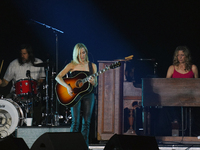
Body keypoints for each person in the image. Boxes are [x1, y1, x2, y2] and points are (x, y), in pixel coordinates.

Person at [55, 43, 97, 148]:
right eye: (79, 54)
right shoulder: (72, 65)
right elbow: (58, 77)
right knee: (76, 121)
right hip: (75, 95)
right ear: (76, 54)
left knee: (87, 122)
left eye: (84, 52)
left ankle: (84, 146)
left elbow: (95, 83)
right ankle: (71, 146)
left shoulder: (92, 66)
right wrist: (68, 87)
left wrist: (93, 82)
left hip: (89, 95)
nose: (82, 55)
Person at [155, 46, 199, 136]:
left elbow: (197, 85)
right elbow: (166, 85)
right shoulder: (172, 68)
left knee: (191, 115)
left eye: (182, 55)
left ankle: (190, 135)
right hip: (174, 98)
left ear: (186, 56)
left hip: (190, 98)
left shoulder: (193, 68)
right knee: (168, 110)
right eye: (178, 55)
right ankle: (172, 132)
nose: (180, 57)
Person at [0, 44, 45, 125]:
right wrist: (1, 83)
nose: (22, 56)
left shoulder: (39, 63)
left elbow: (42, 79)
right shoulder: (14, 64)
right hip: (16, 94)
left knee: (39, 103)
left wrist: (37, 83)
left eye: (25, 54)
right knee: (6, 102)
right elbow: (5, 82)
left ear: (30, 54)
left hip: (34, 93)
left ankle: (38, 124)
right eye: (21, 54)